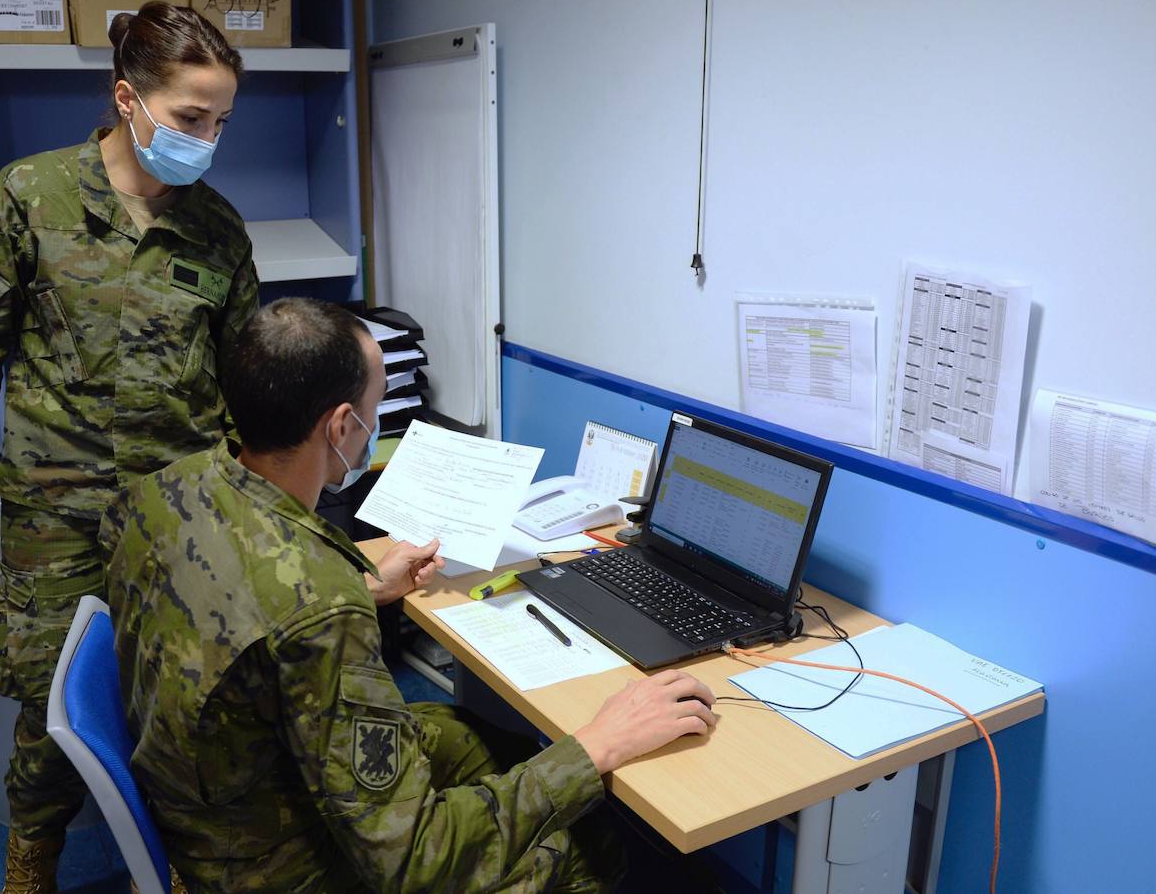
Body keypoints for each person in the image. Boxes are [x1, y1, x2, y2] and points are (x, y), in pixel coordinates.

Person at [101, 298, 720, 892]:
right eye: (375, 408)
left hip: (209, 793)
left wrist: (367, 587)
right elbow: (411, 861)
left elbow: (234, 616)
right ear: (343, 426)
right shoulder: (319, 609)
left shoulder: (163, 491)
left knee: (480, 740)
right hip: (275, 865)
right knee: (583, 847)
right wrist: (599, 742)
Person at [0, 3, 258, 892]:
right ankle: (33, 854)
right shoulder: (31, 198)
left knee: (187, 698)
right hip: (56, 512)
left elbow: (244, 386)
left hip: (179, 512)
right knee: (47, 704)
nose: (206, 138)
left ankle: (186, 857)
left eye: (220, 121)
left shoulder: (217, 228)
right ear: (127, 97)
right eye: (190, 118)